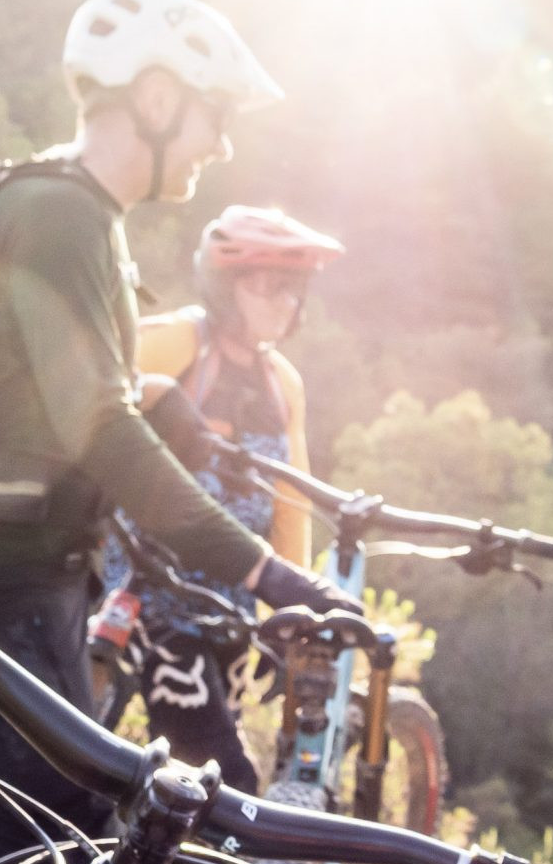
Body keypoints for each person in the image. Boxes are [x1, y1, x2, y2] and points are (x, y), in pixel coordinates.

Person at [0, 0, 359, 864]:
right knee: (74, 843)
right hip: (8, 591)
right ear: (158, 99)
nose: (222, 142)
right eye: (215, 113)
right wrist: (268, 574)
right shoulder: (65, 216)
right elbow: (100, 427)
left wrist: (158, 402)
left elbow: (53, 392)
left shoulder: (44, 202)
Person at [105, 205, 344, 796]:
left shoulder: (282, 382)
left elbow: (288, 501)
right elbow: (93, 419)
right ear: (223, 286)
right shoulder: (175, 342)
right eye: (267, 286)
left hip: (231, 601)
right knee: (219, 779)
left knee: (191, 777)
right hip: (146, 594)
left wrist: (288, 614)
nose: (284, 302)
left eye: (293, 288)